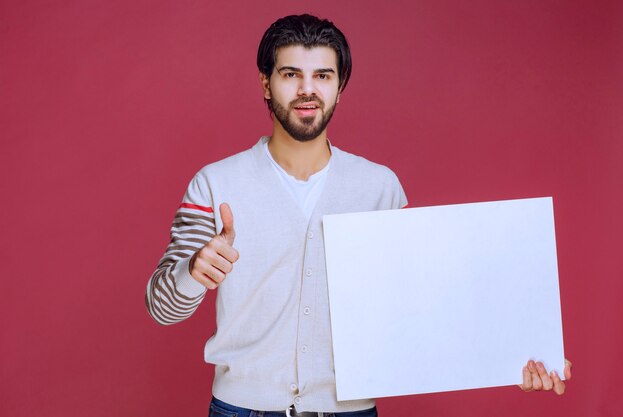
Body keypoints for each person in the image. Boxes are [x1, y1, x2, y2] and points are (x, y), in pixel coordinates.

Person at [145, 14, 571, 417]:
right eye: (291, 74)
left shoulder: (380, 188)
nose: (307, 89)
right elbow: (161, 308)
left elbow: (424, 308)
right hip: (240, 408)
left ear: (339, 86)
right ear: (266, 83)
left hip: (349, 410)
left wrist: (515, 355)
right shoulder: (216, 183)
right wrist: (195, 270)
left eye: (322, 76)